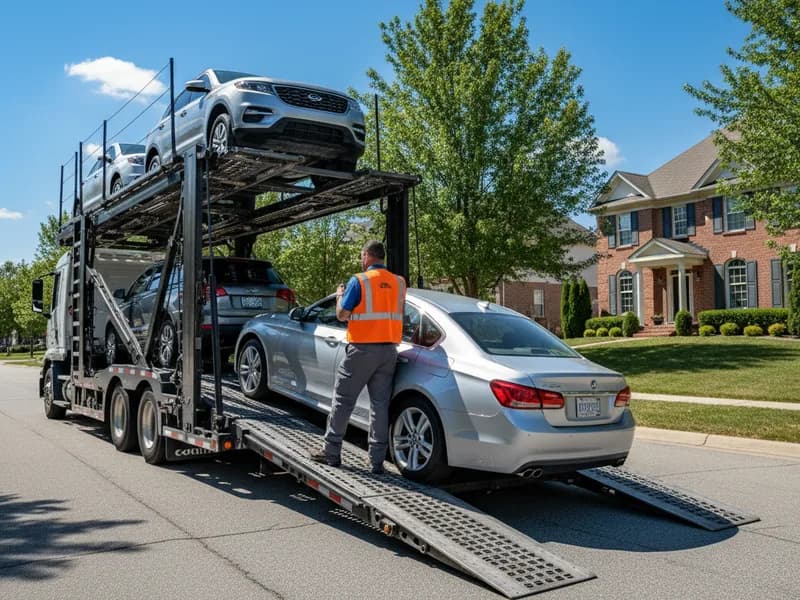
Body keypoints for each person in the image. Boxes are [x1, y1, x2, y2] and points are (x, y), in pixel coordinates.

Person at [310, 240, 406, 474]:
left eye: (362, 256)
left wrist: (339, 297)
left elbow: (342, 315)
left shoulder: (360, 281)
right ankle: (376, 462)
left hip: (362, 350)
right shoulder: (399, 282)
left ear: (366, 256)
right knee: (379, 406)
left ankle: (331, 453)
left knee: (343, 400)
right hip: (389, 351)